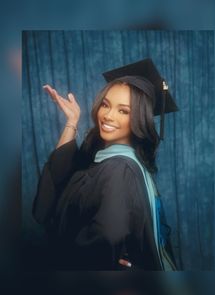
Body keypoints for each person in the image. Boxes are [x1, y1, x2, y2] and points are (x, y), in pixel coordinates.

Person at [32, 58, 178, 270]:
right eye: (106, 105)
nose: (108, 116)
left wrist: (102, 259)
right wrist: (72, 121)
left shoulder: (118, 169)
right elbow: (58, 183)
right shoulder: (107, 159)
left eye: (123, 111)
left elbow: (103, 244)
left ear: (139, 118)